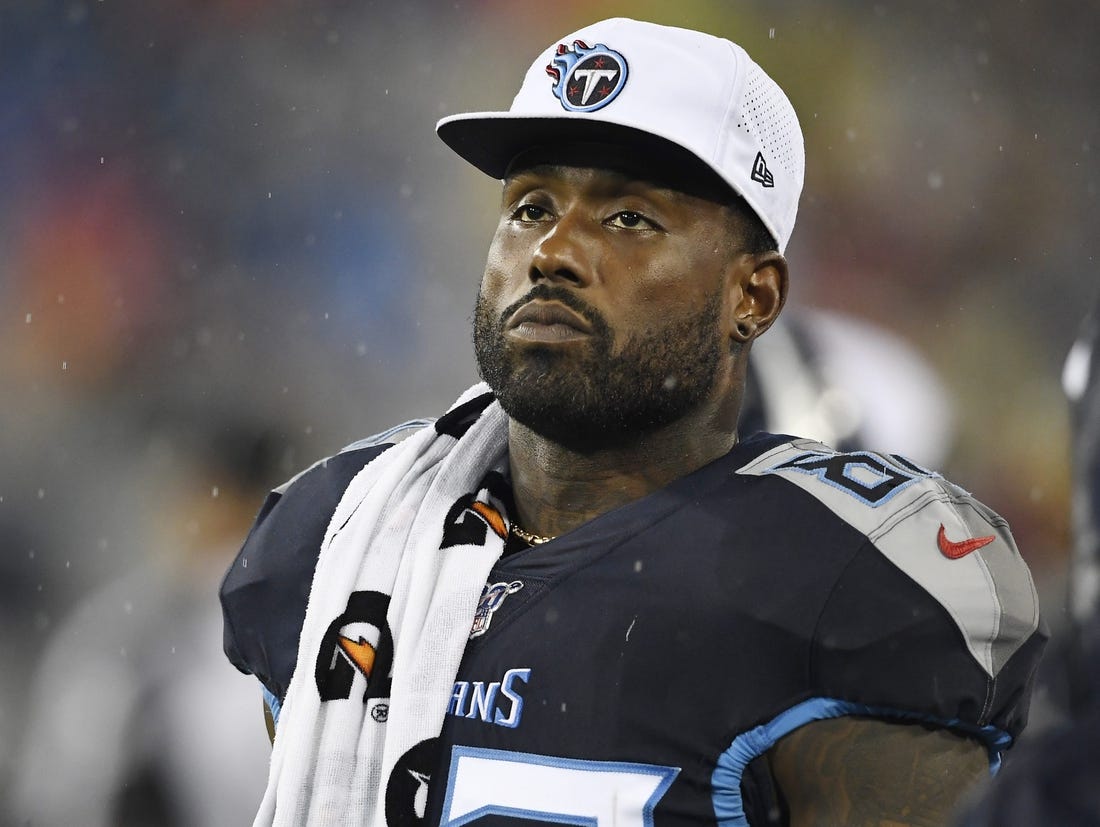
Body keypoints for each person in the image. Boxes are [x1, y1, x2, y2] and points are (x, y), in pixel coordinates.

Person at [220, 18, 1047, 826]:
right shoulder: (339, 538)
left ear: (750, 296)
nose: (553, 250)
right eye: (531, 206)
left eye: (628, 219)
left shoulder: (836, 584)